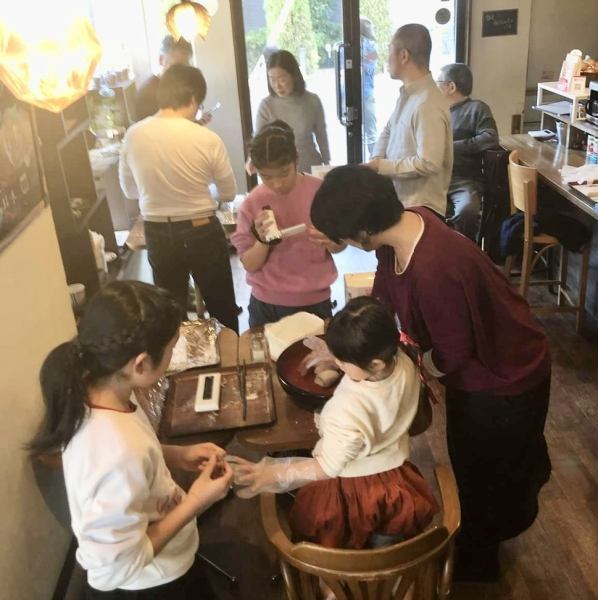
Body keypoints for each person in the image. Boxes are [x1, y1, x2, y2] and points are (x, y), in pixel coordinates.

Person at [310, 166, 552, 581]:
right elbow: (384, 302)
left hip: (504, 376)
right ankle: (479, 542)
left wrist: (397, 369)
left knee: (485, 474)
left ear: (364, 231)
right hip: (487, 362)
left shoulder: (435, 267)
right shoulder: (403, 228)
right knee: (476, 464)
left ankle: (478, 566)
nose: (343, 244)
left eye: (343, 236)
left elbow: (452, 356)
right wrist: (343, 347)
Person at [27, 281, 234, 597]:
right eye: (171, 348)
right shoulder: (117, 452)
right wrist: (198, 500)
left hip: (164, 559)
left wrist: (177, 454)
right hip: (152, 582)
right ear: (140, 363)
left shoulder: (96, 392)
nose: (172, 356)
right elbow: (112, 570)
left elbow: (137, 452)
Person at [234, 296, 438, 549]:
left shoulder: (348, 410)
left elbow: (327, 468)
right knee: (386, 541)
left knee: (335, 537)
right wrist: (343, 360)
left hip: (355, 490)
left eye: (343, 360)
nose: (338, 362)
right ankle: (386, 576)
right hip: (396, 481)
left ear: (374, 363)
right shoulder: (403, 361)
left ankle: (335, 586)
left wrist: (273, 473)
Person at [119, 64, 239, 332]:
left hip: (158, 232)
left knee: (171, 312)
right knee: (221, 308)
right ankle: (232, 362)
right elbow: (228, 192)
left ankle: (180, 368)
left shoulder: (133, 135)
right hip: (201, 230)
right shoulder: (206, 138)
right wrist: (203, 193)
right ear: (194, 99)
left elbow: (130, 191)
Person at [232, 121, 340, 328]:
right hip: (267, 303)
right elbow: (250, 264)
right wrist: (262, 241)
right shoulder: (252, 203)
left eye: (284, 173)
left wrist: (331, 241)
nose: (277, 184)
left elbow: (339, 245)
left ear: (296, 159)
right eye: (266, 176)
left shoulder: (320, 192)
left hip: (315, 300)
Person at [367, 24, 452, 217]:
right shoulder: (409, 94)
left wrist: (381, 166)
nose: (387, 60)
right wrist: (376, 158)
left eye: (390, 52)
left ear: (404, 56)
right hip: (401, 202)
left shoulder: (427, 102)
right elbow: (388, 130)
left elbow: (429, 163)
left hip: (421, 210)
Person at [437, 63, 499, 241]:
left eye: (439, 82)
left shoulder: (477, 109)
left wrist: (451, 147)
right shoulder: (435, 110)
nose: (436, 86)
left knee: (467, 211)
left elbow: (491, 138)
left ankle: (465, 256)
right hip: (434, 176)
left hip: (464, 179)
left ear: (451, 87)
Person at [254, 50, 330, 174]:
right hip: (279, 172)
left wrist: (327, 162)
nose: (277, 86)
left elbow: (321, 134)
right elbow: (257, 141)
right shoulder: (266, 106)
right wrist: (252, 160)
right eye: (272, 79)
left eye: (282, 79)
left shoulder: (312, 101)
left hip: (310, 167)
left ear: (294, 75)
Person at [135, 36, 194, 121]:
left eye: (185, 66)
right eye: (176, 67)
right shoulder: (147, 93)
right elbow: (152, 131)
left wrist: (196, 123)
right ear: (161, 59)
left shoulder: (179, 88)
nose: (181, 72)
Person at [360, 17, 378, 158]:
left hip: (366, 93)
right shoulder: (346, 46)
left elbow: (370, 69)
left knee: (370, 133)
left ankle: (373, 160)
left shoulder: (371, 46)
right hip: (357, 93)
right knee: (368, 132)